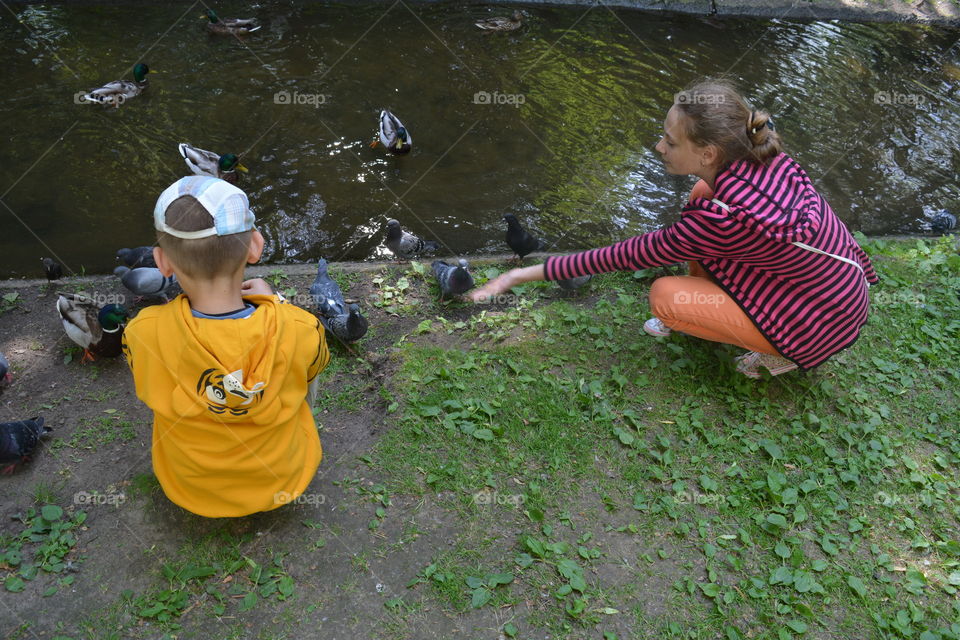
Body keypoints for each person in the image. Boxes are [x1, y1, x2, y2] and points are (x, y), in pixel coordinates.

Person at [471, 80, 878, 377]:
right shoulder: (762, 157)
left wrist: (522, 273)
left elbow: (622, 256)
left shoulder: (724, 217)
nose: (659, 147)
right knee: (701, 192)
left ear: (708, 152)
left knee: (665, 296)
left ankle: (781, 353)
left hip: (820, 321)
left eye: (669, 141)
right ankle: (726, 307)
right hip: (835, 286)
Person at [122, 177, 330, 517]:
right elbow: (310, 376)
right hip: (282, 478)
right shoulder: (300, 327)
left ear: (162, 261)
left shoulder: (143, 331)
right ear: (256, 245)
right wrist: (276, 302)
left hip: (190, 485)